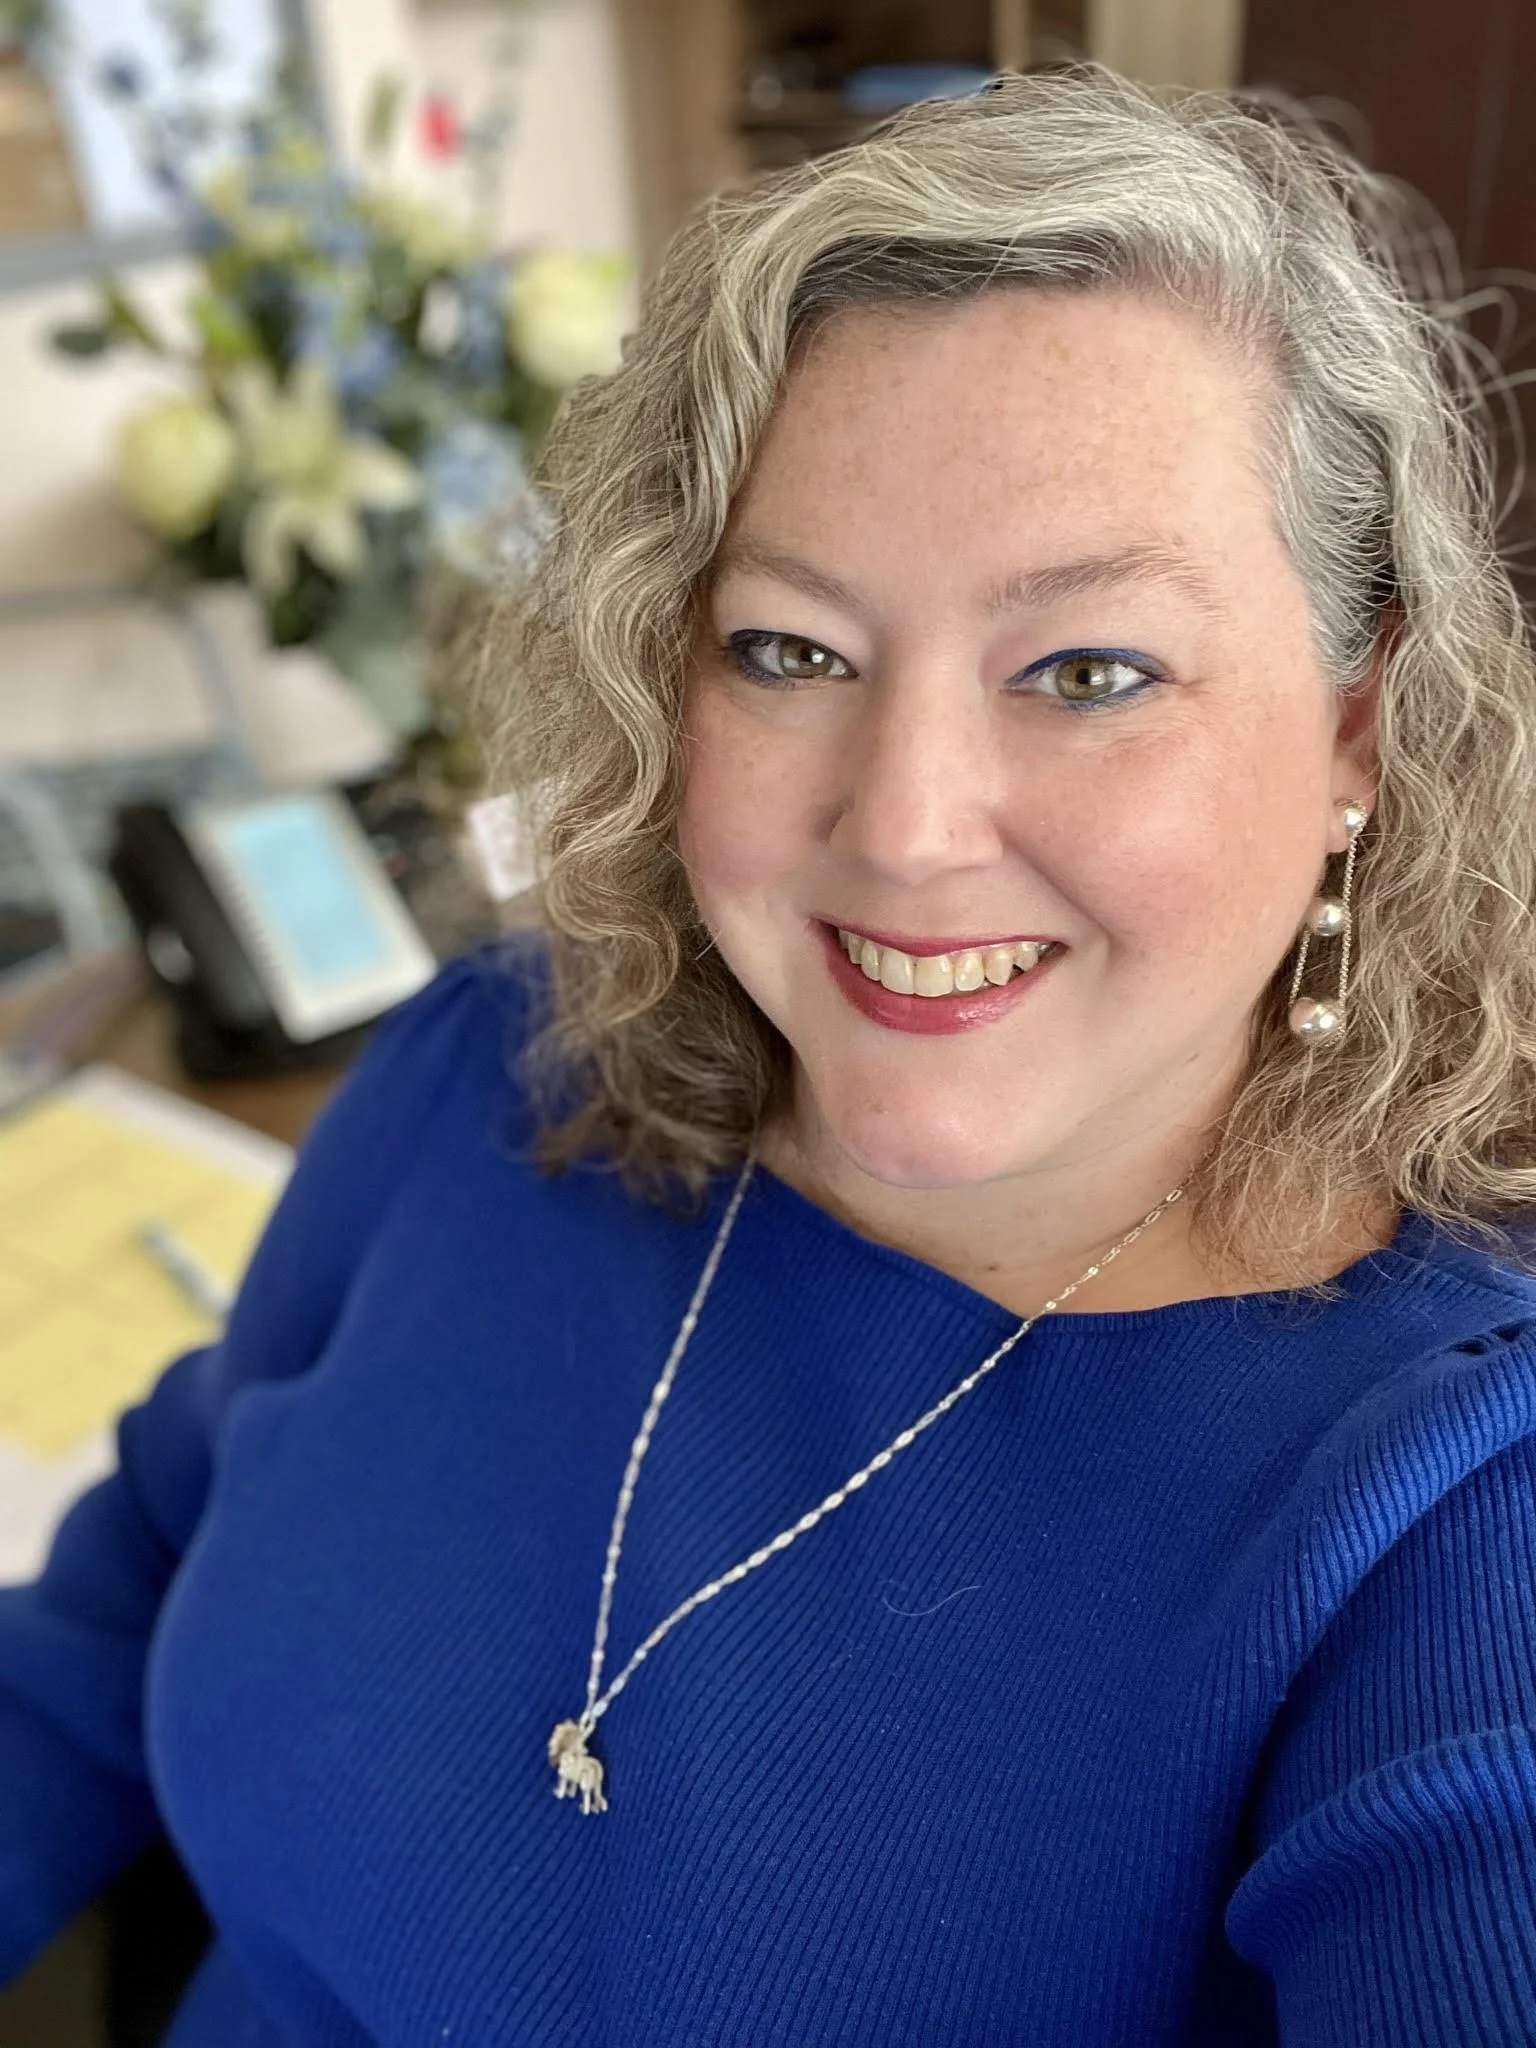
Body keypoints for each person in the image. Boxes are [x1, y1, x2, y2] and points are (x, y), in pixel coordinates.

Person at [6, 63, 1536, 2047]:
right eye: (792, 650)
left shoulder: (1448, 1517)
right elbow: (141, 1566)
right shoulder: (497, 1074)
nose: (904, 824)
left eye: (1088, 670)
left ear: (1356, 726)